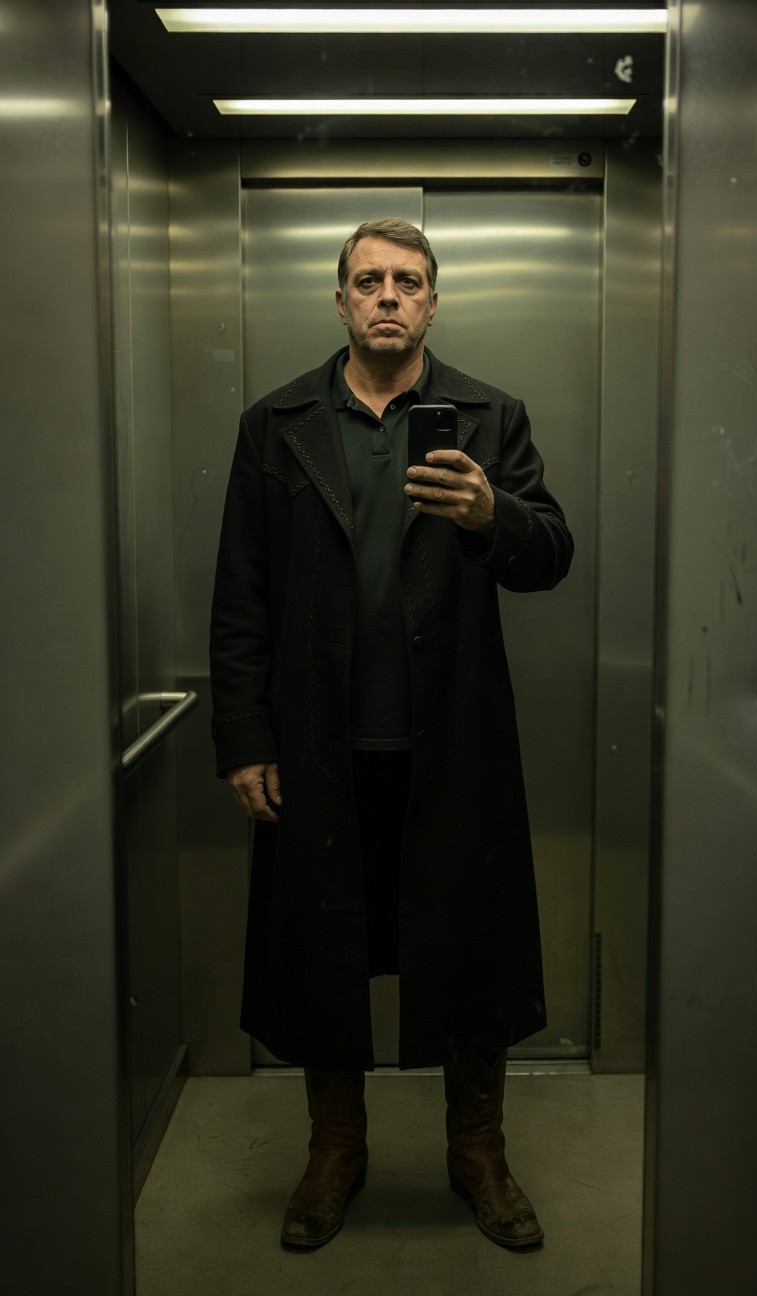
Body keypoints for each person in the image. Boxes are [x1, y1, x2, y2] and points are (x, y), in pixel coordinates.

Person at [210, 217, 574, 1251]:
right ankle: (336, 1149)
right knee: (322, 953)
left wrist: (489, 513)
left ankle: (478, 1153)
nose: (387, 297)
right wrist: (244, 736)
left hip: (451, 747)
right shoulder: (275, 423)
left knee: (468, 953)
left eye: (407, 282)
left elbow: (550, 554)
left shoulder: (491, 418)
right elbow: (240, 592)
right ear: (338, 301)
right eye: (367, 280)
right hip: (318, 751)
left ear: (432, 300)